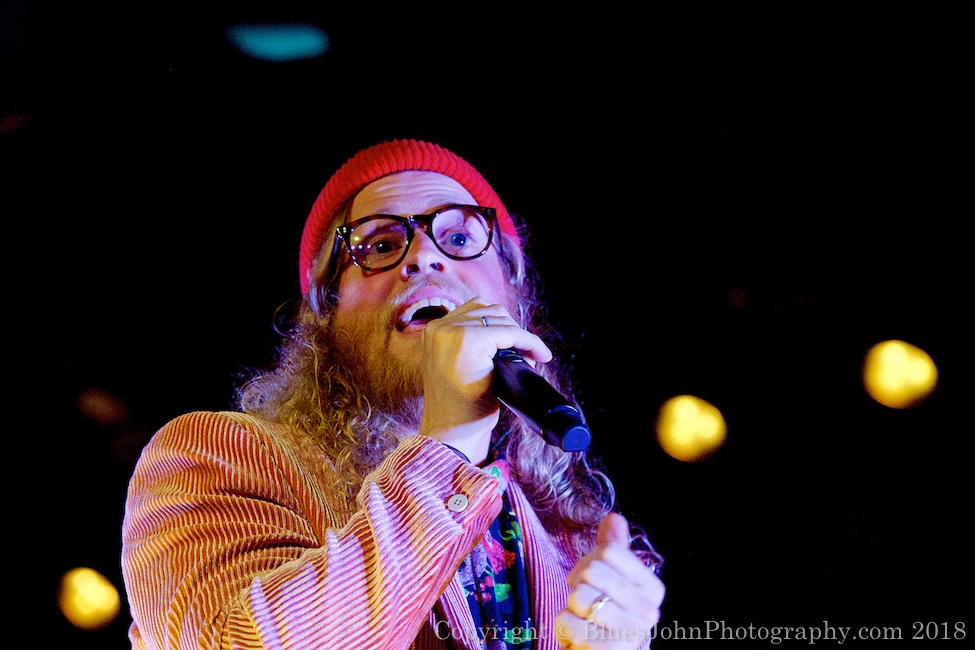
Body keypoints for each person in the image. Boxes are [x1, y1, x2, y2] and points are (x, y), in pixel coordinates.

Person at [121, 138, 665, 649]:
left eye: (458, 238)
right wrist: (449, 443)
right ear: (326, 315)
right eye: (381, 244)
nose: (423, 259)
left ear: (509, 293)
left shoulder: (568, 538)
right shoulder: (214, 456)